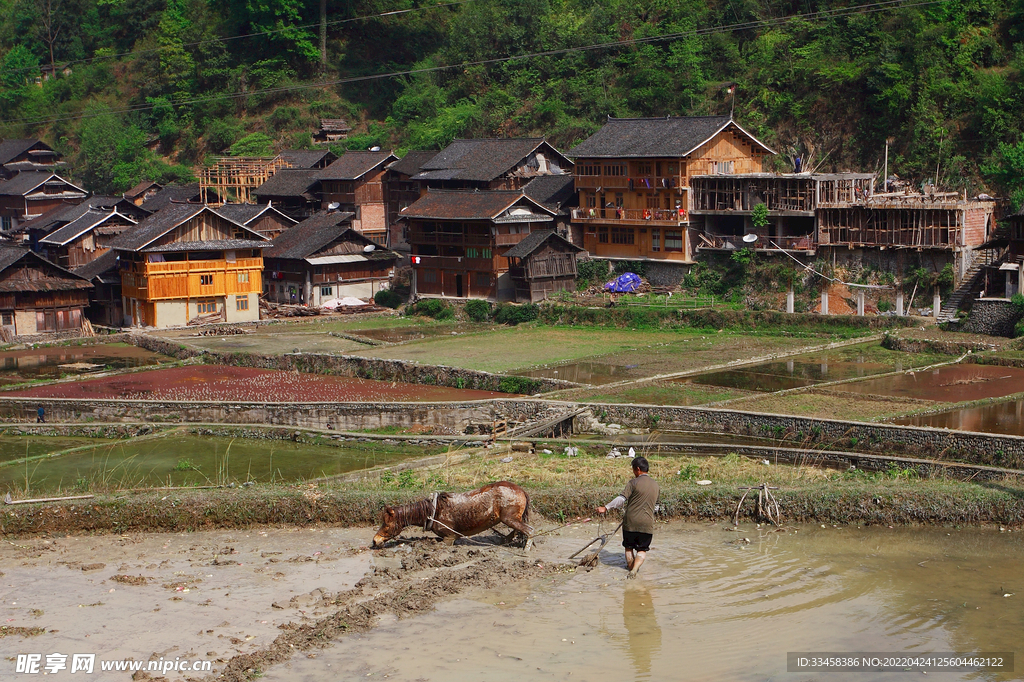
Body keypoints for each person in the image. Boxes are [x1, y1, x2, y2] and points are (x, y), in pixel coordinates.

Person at [596, 456, 659, 578]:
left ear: (638, 469)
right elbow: (656, 507)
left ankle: (630, 567)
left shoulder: (633, 483)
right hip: (647, 523)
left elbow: (621, 499)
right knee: (642, 549)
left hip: (630, 522)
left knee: (629, 547)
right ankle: (634, 570)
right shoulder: (656, 485)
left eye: (634, 470)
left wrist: (606, 507)